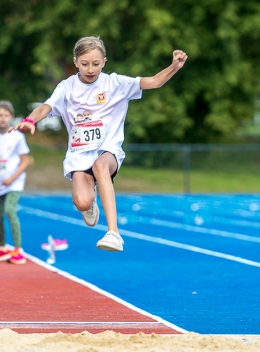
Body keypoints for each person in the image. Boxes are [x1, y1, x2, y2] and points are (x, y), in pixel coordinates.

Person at [14, 36, 187, 252]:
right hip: (78, 155)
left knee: (100, 165)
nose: (90, 69)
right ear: (75, 61)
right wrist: (30, 120)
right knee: (82, 202)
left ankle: (113, 232)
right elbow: (45, 107)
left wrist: (174, 66)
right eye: (85, 63)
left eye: (96, 64)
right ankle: (90, 203)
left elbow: (153, 82)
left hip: (108, 150)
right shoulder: (67, 87)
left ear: (104, 61)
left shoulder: (115, 83)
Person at [0, 101, 30, 265]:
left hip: (14, 182)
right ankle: (2, 247)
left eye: (6, 115)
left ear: (11, 117)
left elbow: (25, 161)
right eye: (0, 115)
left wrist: (12, 178)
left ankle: (18, 249)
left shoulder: (17, 136)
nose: (3, 119)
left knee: (9, 210)